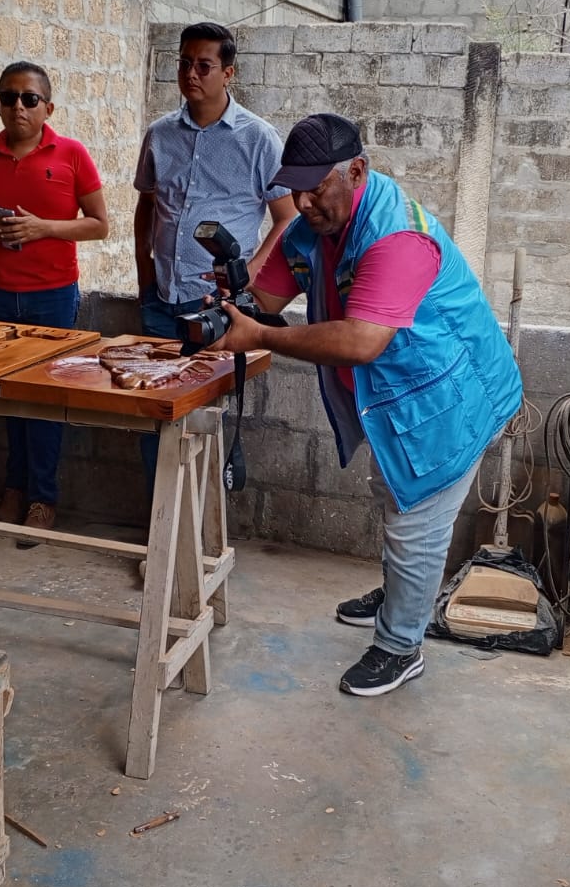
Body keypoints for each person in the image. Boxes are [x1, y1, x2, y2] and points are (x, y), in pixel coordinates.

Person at [205, 112, 523, 696]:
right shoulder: (315, 227)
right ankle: (402, 592)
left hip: (451, 401)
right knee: (391, 495)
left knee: (416, 524)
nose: (302, 203)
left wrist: (261, 336)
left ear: (356, 171)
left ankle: (401, 647)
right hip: (397, 402)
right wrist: (235, 298)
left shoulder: (396, 239)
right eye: (294, 189)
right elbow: (266, 295)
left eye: (316, 187)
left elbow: (359, 342)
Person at [134, 22, 296, 480]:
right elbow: (146, 206)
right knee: (153, 414)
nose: (191, 74)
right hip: (160, 300)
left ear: (228, 73)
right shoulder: (160, 134)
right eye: (184, 63)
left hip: (215, 308)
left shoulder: (258, 138)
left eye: (204, 66)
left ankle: (201, 519)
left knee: (204, 423)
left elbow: (287, 217)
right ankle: (156, 517)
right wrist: (145, 272)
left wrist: (249, 275)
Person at [0, 61, 107, 535]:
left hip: (53, 297)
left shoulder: (71, 154)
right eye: (9, 98)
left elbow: (100, 225)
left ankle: (43, 498)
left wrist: (44, 228)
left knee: (45, 399)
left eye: (29, 99)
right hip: (0, 295)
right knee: (7, 397)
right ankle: (14, 488)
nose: (18, 107)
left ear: (48, 108)